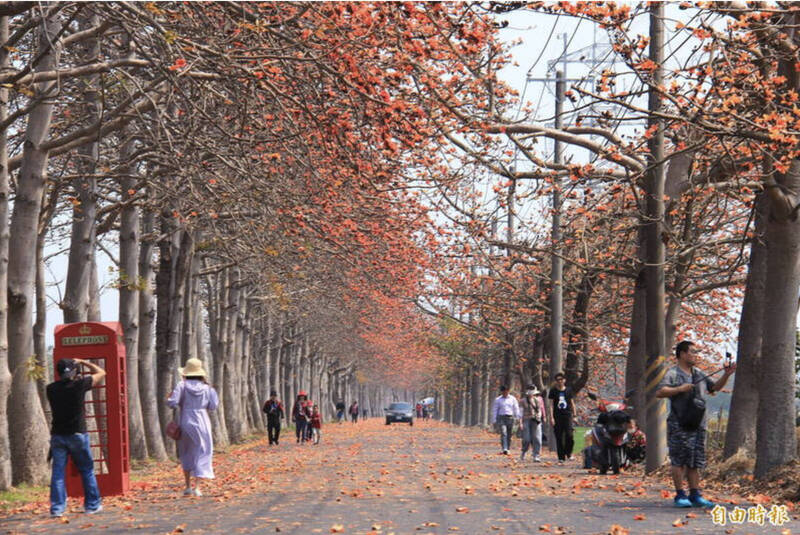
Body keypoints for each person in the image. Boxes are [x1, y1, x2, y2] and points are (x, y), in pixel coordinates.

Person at [656, 340, 735, 508]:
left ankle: (695, 494)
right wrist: (679, 389)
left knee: (695, 460)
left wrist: (726, 374)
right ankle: (680, 495)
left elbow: (714, 388)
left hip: (699, 424)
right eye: (693, 351)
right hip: (679, 424)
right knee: (679, 460)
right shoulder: (673, 373)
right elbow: (660, 392)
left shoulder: (698, 373)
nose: (696, 355)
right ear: (682, 354)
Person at [47, 358, 106, 517]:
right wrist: (83, 361)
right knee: (87, 470)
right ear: (74, 372)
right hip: (77, 434)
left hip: (58, 436)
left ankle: (57, 509)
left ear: (58, 372)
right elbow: (101, 372)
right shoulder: (79, 385)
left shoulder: (50, 389)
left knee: (58, 473)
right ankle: (92, 506)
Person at [167, 358, 219, 497]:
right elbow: (213, 406)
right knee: (202, 452)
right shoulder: (208, 388)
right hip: (202, 421)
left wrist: (170, 399)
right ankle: (197, 487)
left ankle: (187, 486)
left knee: (186, 452)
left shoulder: (181, 385)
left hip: (186, 421)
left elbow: (172, 403)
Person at [548, 372, 576, 465]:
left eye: (561, 379)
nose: (560, 381)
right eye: (558, 380)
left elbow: (572, 403)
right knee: (559, 436)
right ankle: (561, 457)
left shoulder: (568, 390)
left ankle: (568, 452)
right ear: (556, 381)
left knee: (569, 435)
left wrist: (574, 415)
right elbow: (551, 405)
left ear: (564, 380)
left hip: (567, 415)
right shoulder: (553, 391)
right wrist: (551, 417)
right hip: (557, 416)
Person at [491, 385, 520, 454]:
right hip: (501, 418)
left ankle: (508, 447)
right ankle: (504, 448)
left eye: (506, 391)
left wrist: (517, 417)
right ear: (501, 392)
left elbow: (516, 408)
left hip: (510, 417)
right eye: (503, 392)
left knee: (509, 434)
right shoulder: (498, 400)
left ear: (508, 391)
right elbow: (495, 410)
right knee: (503, 433)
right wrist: (494, 420)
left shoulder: (512, 399)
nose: (505, 393)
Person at [519, 385, 545, 462]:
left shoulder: (538, 400)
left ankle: (536, 455)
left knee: (537, 438)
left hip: (536, 420)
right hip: (526, 420)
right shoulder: (522, 401)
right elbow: (520, 413)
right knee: (526, 439)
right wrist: (520, 422)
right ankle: (524, 451)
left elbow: (540, 410)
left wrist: (540, 418)